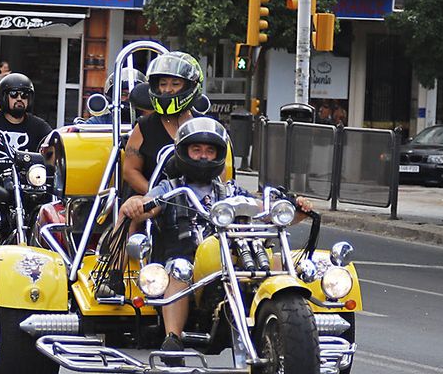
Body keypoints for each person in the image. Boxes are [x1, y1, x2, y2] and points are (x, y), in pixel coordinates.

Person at [119, 117, 314, 356]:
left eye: (210, 151)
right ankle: (173, 339)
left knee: (281, 263)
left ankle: (294, 328)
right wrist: (135, 204)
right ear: (184, 152)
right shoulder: (169, 188)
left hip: (234, 259)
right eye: (196, 149)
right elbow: (147, 204)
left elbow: (263, 209)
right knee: (180, 269)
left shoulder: (230, 190)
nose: (203, 156)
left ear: (219, 155)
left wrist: (297, 210)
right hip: (189, 262)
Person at [0, 72, 53, 233]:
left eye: (24, 95)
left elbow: (53, 139)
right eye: (14, 94)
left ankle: (48, 239)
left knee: (52, 189)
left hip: (27, 180)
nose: (20, 98)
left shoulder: (38, 125)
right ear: (4, 97)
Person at [122, 52, 204, 200]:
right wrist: (160, 197)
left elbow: (220, 174)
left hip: (198, 204)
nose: (167, 90)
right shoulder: (144, 126)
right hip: (151, 202)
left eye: (175, 84)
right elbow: (130, 171)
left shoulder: (205, 127)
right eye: (163, 83)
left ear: (191, 86)